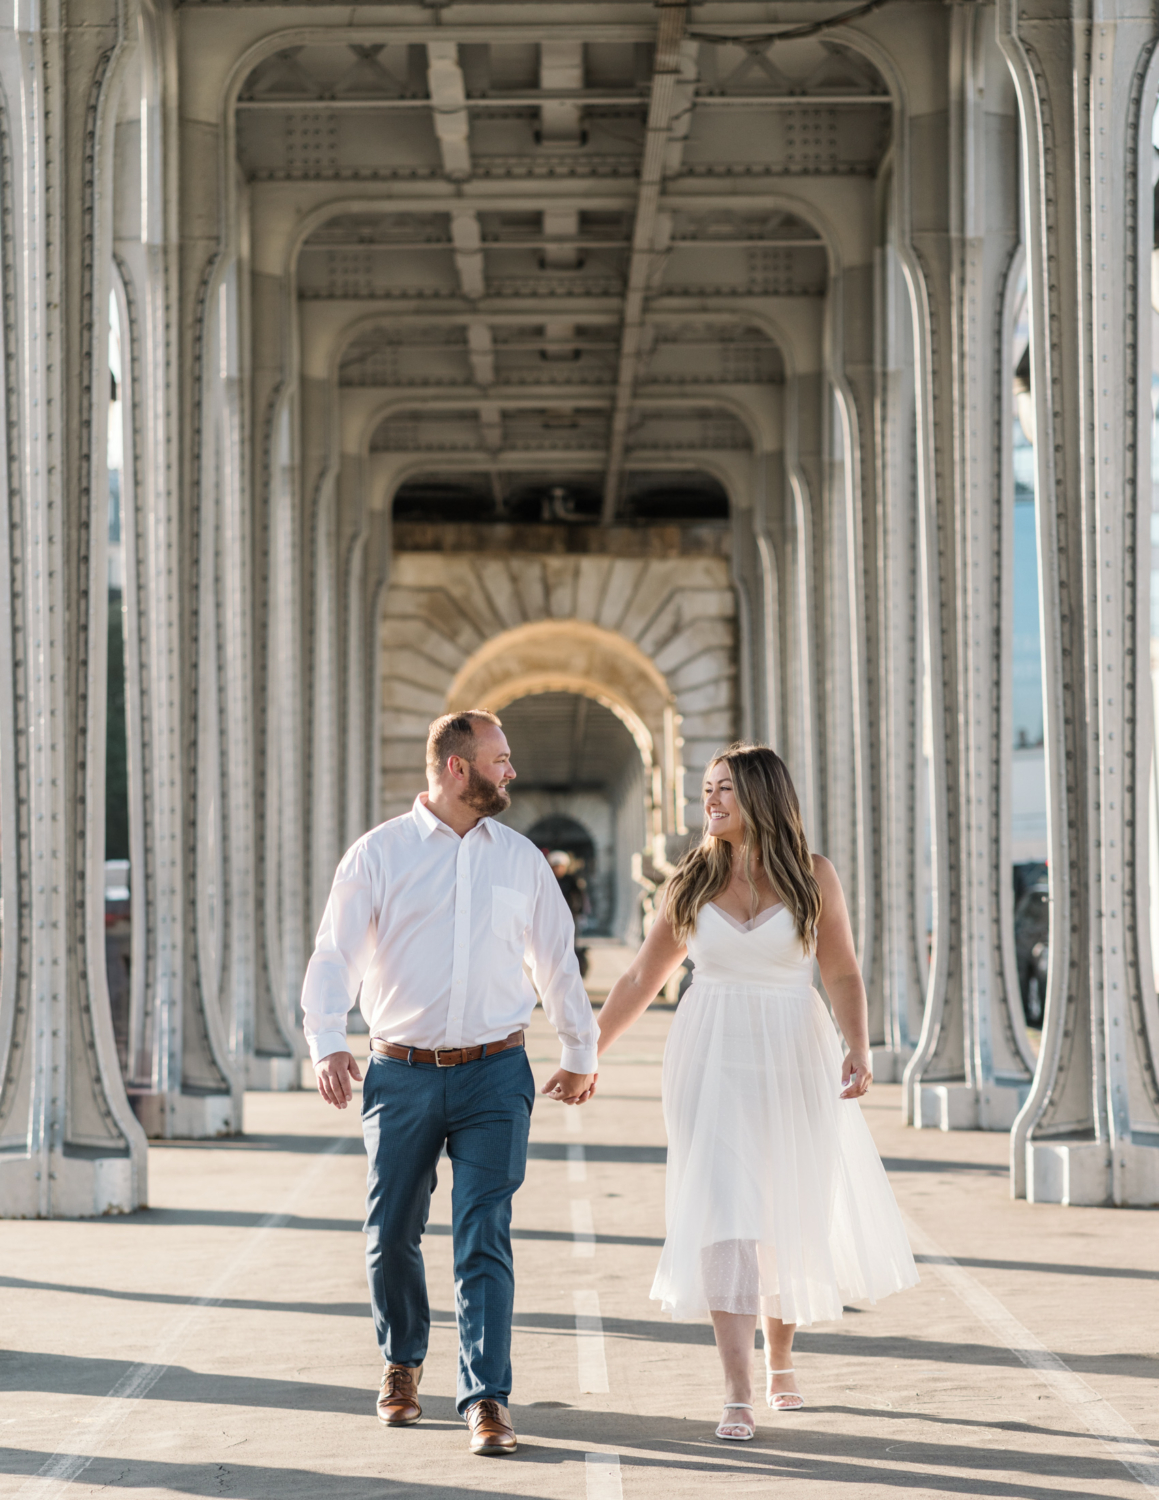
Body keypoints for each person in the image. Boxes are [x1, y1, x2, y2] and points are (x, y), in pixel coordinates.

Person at [595, 743, 918, 1442]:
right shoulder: (688, 880)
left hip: (793, 1052)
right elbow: (637, 981)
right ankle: (736, 1389)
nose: (708, 802)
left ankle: (780, 1359)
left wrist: (857, 1047)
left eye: (723, 791)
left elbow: (841, 974)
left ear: (761, 796)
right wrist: (584, 1052)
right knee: (723, 1208)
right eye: (706, 790)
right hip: (708, 1056)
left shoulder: (812, 876)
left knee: (783, 1205)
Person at [301, 709, 598, 1457]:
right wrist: (327, 1040)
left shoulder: (521, 859)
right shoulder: (378, 855)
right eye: (500, 760)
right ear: (457, 768)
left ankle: (486, 1397)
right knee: (390, 1234)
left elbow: (556, 959)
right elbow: (333, 953)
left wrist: (580, 1049)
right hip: (399, 1074)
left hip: (496, 1072)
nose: (512, 772)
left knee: (482, 1234)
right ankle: (402, 1363)